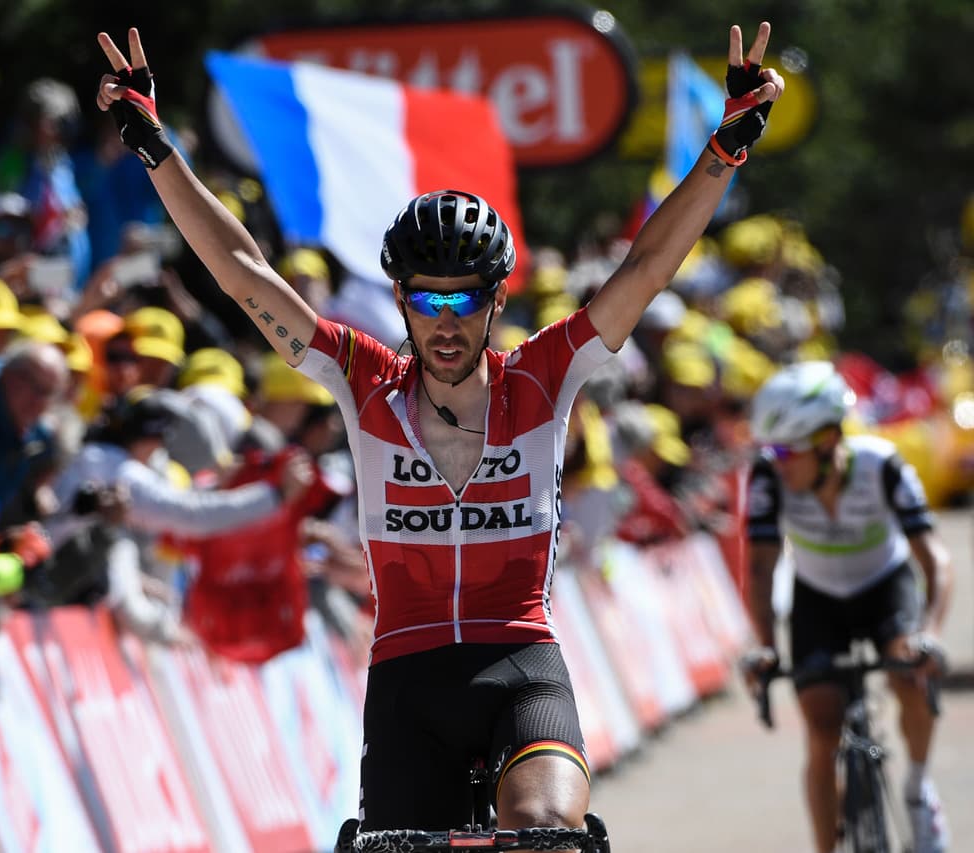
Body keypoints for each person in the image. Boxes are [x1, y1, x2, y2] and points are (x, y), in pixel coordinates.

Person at [95, 22, 782, 833]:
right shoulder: (362, 381)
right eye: (426, 297)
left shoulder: (542, 376)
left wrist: (723, 152)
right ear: (400, 300)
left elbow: (646, 267)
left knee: (547, 835)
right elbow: (244, 272)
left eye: (464, 298)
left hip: (521, 669)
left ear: (495, 299)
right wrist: (156, 147)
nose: (445, 319)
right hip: (407, 681)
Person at [742, 361, 953, 853]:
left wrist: (933, 631)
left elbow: (936, 561)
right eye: (769, 451)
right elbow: (760, 569)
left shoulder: (883, 465)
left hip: (885, 586)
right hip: (820, 599)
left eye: (785, 451)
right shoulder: (768, 479)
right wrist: (767, 648)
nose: (776, 462)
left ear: (827, 439)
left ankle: (919, 789)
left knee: (910, 669)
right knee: (820, 726)